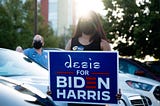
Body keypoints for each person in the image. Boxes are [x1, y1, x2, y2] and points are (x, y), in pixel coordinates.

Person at [65, 11, 121, 106]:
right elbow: (63, 70)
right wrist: (54, 89)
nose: (86, 22)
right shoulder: (71, 43)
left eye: (89, 20)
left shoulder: (103, 44)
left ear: (95, 23)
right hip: (75, 98)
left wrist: (114, 91)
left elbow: (110, 72)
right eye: (84, 20)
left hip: (96, 99)